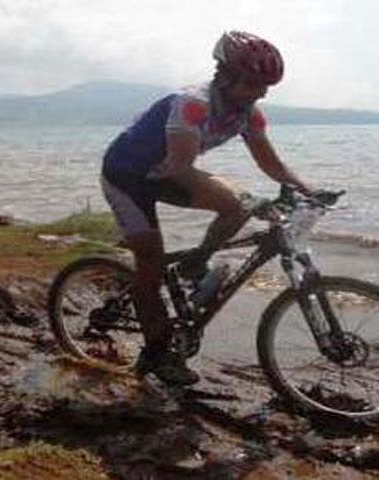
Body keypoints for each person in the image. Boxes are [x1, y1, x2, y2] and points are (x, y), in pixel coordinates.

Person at [101, 31, 315, 385]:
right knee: (151, 262)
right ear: (225, 76)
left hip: (164, 173)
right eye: (252, 83)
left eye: (266, 86)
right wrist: (252, 199)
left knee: (237, 207)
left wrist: (311, 191)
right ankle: (156, 353)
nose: (260, 93)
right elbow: (180, 167)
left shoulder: (250, 114)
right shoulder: (193, 103)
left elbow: (272, 164)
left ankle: (195, 264)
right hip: (127, 176)